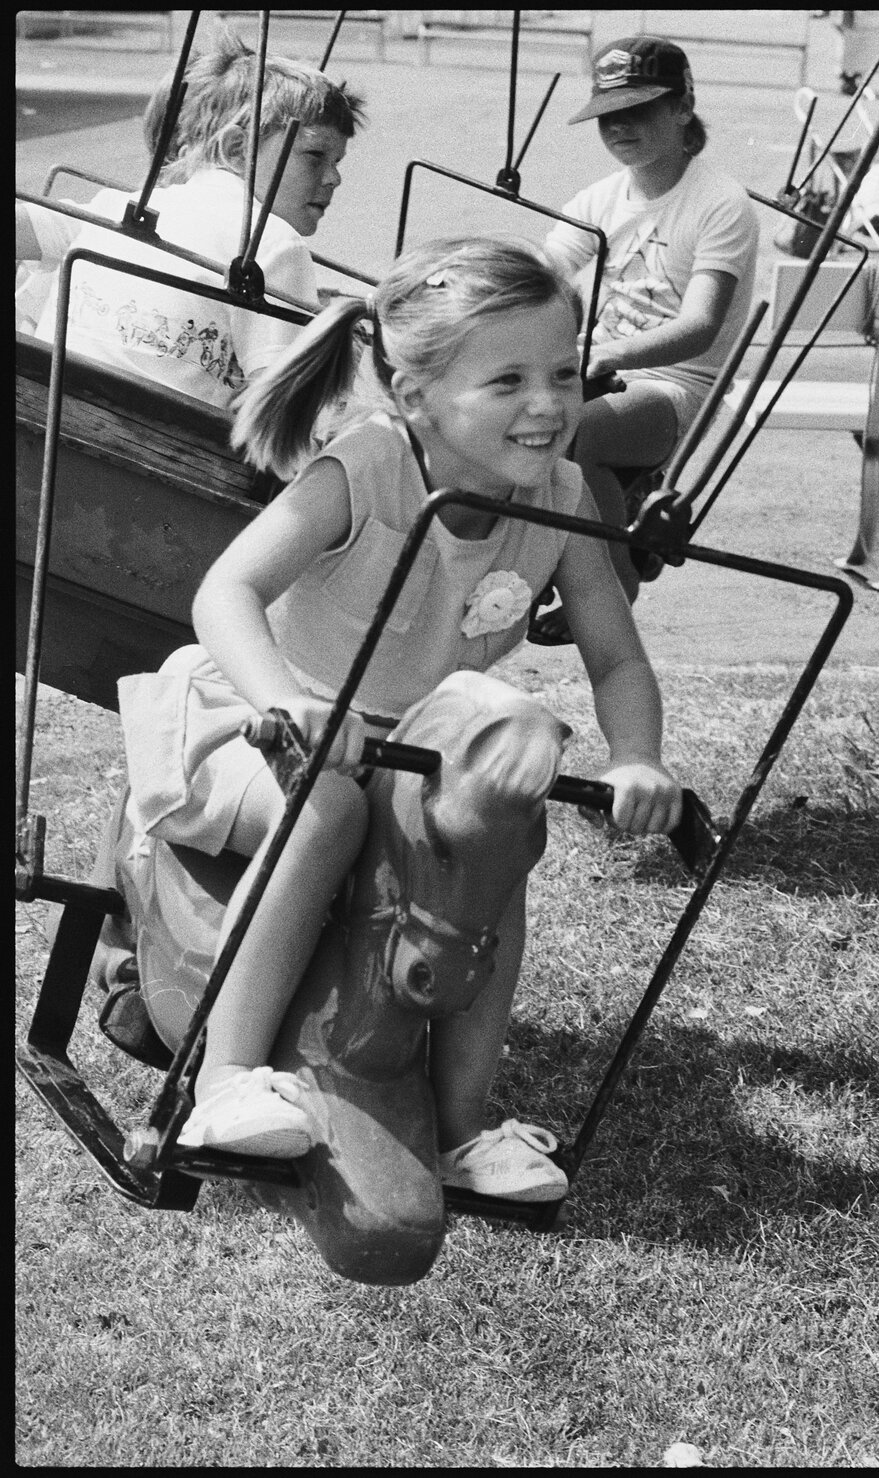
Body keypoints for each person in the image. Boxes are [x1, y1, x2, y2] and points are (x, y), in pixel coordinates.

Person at [115, 237, 685, 1200]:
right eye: (505, 380)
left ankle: (465, 1132)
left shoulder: (563, 495)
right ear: (414, 391)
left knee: (504, 836)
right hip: (260, 725)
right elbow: (228, 592)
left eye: (563, 371)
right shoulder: (367, 468)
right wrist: (285, 701)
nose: (547, 404)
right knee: (329, 811)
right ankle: (221, 1081)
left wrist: (638, 756)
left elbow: (617, 655)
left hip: (409, 752)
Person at [15, 27, 366, 406]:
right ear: (236, 149)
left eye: (337, 162)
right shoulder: (273, 243)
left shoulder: (122, 208)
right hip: (161, 447)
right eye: (315, 156)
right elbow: (283, 409)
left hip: (46, 409)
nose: (334, 178)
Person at [540, 35, 759, 627]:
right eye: (608, 114)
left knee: (570, 430)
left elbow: (699, 328)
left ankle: (617, 585)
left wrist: (599, 353)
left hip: (676, 385)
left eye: (638, 109)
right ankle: (541, 560)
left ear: (683, 107)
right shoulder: (600, 197)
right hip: (599, 370)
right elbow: (542, 274)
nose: (620, 127)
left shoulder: (720, 203)